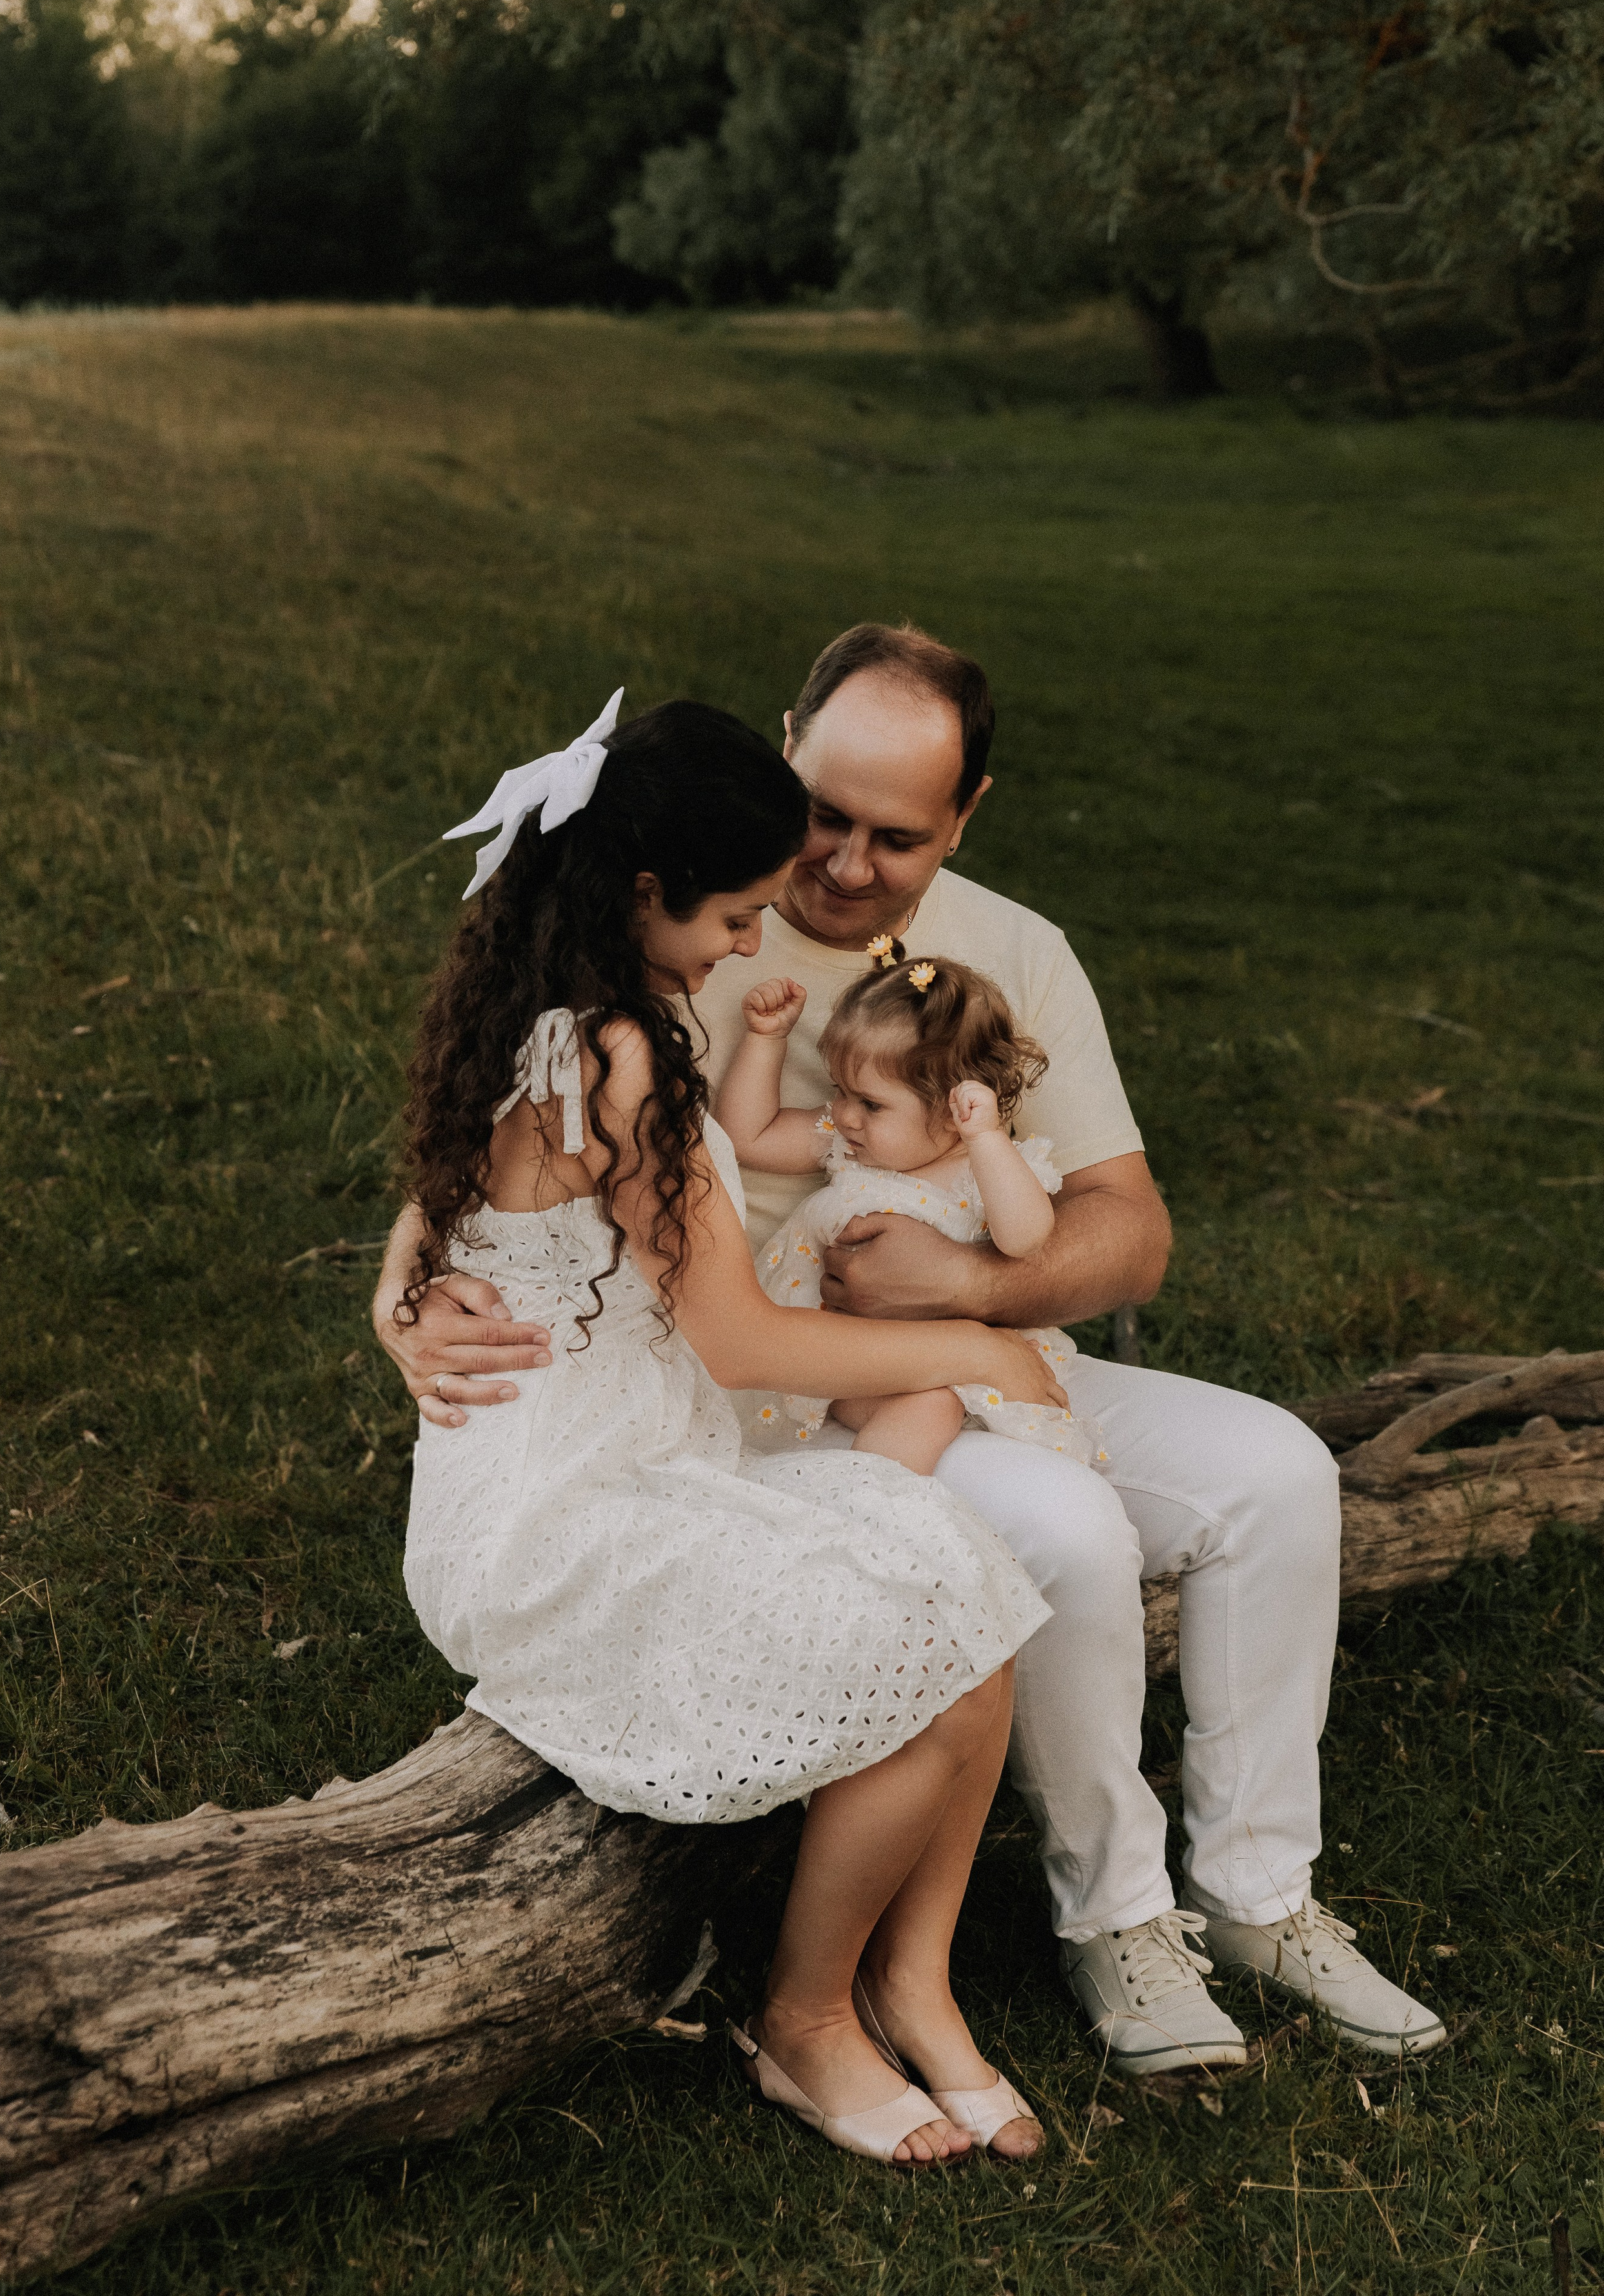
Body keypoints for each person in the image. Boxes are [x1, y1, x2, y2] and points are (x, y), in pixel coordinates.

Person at [377, 626, 1446, 2076]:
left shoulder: (1009, 953)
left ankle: (1260, 1893)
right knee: (1062, 1531)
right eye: (821, 814)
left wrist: (972, 1289)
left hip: (961, 1348)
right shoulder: (676, 907)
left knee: (1274, 1473)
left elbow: (1129, 1233)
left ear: (966, 815)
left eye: (896, 836)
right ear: (781, 754)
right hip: (758, 1393)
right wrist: (409, 1298)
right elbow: (501, 1155)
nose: (838, 865)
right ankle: (1112, 1919)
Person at [397, 688, 1061, 2166]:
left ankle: (915, 1981)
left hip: (580, 1467)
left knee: (963, 1594)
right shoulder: (618, 1058)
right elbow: (736, 1336)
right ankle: (808, 2016)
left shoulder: (535, 1002)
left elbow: (433, 1224)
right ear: (647, 889)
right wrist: (970, 1338)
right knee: (933, 1614)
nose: (755, 941)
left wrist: (403, 1301)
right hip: (568, 1518)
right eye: (740, 910)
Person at [715, 949, 1100, 1477]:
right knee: (924, 1401)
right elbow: (747, 1137)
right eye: (838, 1092)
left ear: (952, 1107)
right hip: (849, 1360)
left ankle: (876, 1504)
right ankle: (866, 1500)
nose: (846, 1114)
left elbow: (1025, 1238)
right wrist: (766, 1041)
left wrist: (985, 1138)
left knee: (934, 1401)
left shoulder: (989, 1168)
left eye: (871, 1104)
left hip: (957, 1366)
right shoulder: (846, 1144)